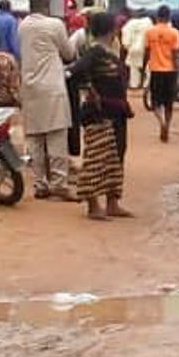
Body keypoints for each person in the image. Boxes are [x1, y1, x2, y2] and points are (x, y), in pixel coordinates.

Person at [73, 11, 134, 220]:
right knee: (97, 157)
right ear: (112, 29)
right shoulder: (96, 51)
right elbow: (77, 71)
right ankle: (93, 205)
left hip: (116, 111)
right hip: (100, 113)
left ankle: (112, 202)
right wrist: (90, 90)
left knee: (116, 155)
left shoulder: (109, 50)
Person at [19, 0, 76, 200]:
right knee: (56, 136)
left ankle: (40, 183)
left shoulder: (23, 26)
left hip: (29, 86)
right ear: (47, 6)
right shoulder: (55, 25)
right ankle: (59, 183)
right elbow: (69, 53)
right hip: (52, 86)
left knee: (34, 137)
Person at [143, 4, 179, 142]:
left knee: (155, 103)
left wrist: (144, 68)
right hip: (170, 71)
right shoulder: (175, 33)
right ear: (169, 17)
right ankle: (168, 125)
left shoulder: (149, 32)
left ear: (157, 17)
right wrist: (178, 73)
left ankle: (161, 123)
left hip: (155, 70)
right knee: (168, 103)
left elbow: (147, 53)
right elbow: (175, 55)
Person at [121, 6, 153, 91]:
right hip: (145, 47)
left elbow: (125, 32)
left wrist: (126, 45)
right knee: (147, 66)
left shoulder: (131, 22)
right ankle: (146, 85)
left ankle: (134, 84)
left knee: (134, 67)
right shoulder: (148, 22)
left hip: (133, 47)